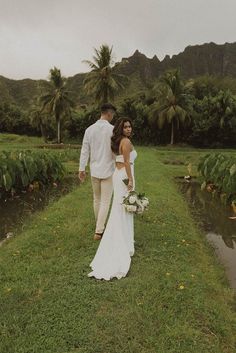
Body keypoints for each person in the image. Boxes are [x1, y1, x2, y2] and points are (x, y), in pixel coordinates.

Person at [88, 117, 137, 280]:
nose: (129, 129)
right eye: (126, 127)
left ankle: (125, 238)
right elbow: (128, 163)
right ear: (121, 129)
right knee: (124, 206)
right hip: (124, 175)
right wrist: (130, 180)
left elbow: (118, 159)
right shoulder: (126, 143)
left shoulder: (116, 141)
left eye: (130, 126)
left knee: (120, 206)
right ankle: (124, 241)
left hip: (117, 174)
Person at [79, 103, 116, 240]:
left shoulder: (89, 130)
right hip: (108, 169)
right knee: (105, 201)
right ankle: (99, 231)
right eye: (113, 114)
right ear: (109, 113)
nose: (113, 117)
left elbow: (85, 150)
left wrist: (81, 168)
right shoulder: (113, 130)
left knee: (97, 199)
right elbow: (115, 150)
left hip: (94, 169)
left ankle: (99, 225)